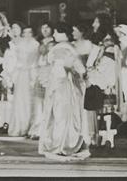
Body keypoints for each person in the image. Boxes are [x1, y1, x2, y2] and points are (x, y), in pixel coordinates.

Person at [38, 24, 90, 161]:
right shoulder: (69, 47)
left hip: (62, 84)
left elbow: (64, 68)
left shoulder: (62, 48)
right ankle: (66, 142)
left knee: (61, 114)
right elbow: (79, 69)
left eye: (56, 32)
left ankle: (61, 143)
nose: (54, 35)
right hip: (65, 83)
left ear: (63, 34)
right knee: (66, 114)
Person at [3, 25, 39, 137]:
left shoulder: (36, 44)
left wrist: (33, 75)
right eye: (25, 32)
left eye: (29, 32)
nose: (27, 35)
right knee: (19, 101)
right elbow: (15, 60)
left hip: (31, 74)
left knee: (30, 101)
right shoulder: (19, 45)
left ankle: (29, 127)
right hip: (21, 75)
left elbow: (35, 61)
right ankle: (19, 127)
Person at [29, 22, 56, 139]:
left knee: (49, 102)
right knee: (38, 103)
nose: (44, 30)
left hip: (50, 72)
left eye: (47, 27)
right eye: (43, 27)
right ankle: (37, 129)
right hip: (40, 72)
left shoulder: (55, 42)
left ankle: (49, 130)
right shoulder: (39, 42)